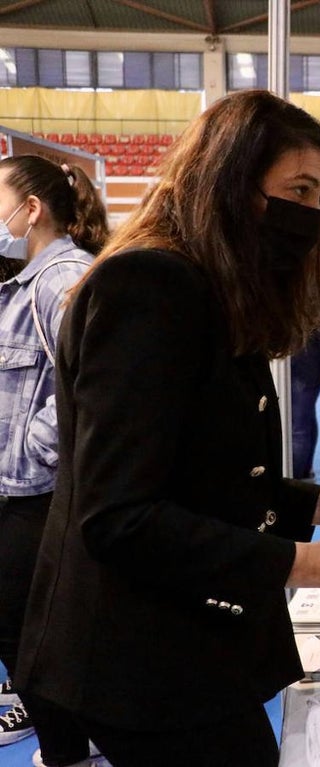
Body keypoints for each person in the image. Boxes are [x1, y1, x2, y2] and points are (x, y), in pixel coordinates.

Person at [16, 90, 320, 767]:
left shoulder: (211, 284)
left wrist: (316, 503)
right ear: (229, 181)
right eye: (299, 190)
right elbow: (119, 515)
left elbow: (204, 470)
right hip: (135, 656)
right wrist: (303, 563)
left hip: (180, 639)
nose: (311, 215)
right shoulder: (149, 286)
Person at [0, 156, 108, 766]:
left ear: (31, 208)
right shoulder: (29, 276)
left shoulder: (63, 278)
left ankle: (70, 751)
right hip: (22, 490)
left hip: (38, 494)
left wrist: (31, 453)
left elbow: (91, 385)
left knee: (28, 635)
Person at [290, 322, 320, 481]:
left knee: (299, 426)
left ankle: (295, 477)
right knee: (305, 420)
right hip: (302, 365)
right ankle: (304, 469)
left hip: (302, 366)